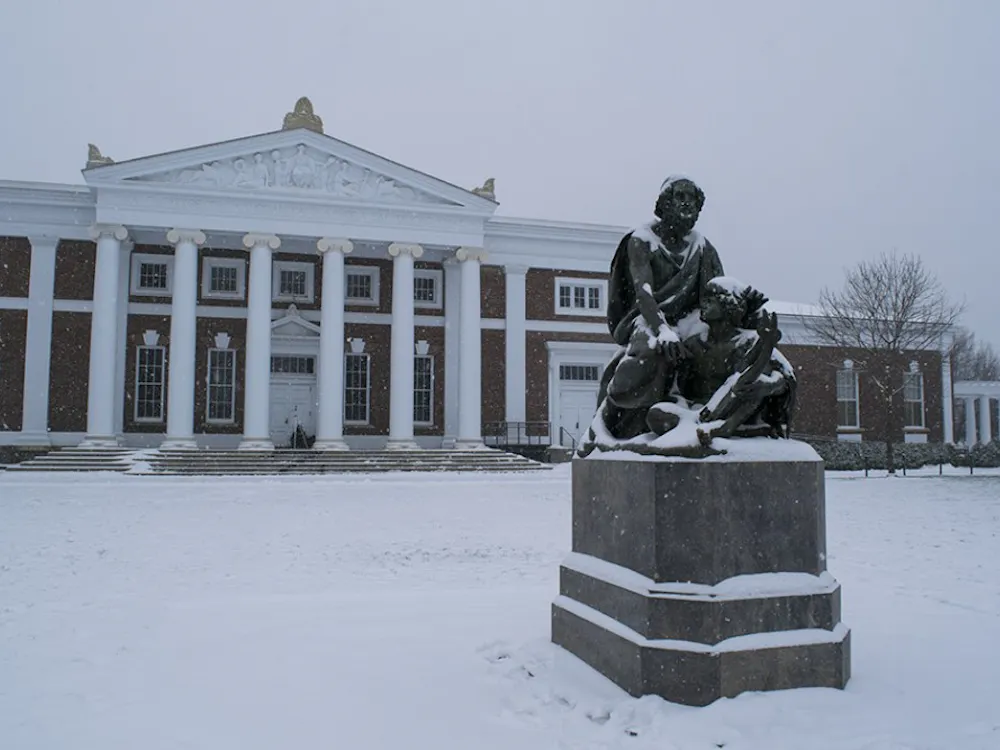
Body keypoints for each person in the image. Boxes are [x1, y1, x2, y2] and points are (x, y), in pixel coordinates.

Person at [594, 175, 765, 440]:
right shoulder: (641, 240)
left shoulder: (703, 247)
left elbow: (717, 294)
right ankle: (624, 415)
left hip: (693, 318)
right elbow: (643, 292)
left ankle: (709, 414)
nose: (688, 204)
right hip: (649, 317)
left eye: (693, 200)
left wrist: (745, 310)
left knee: (726, 347)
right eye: (680, 197)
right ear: (664, 203)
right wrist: (662, 329)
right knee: (651, 350)